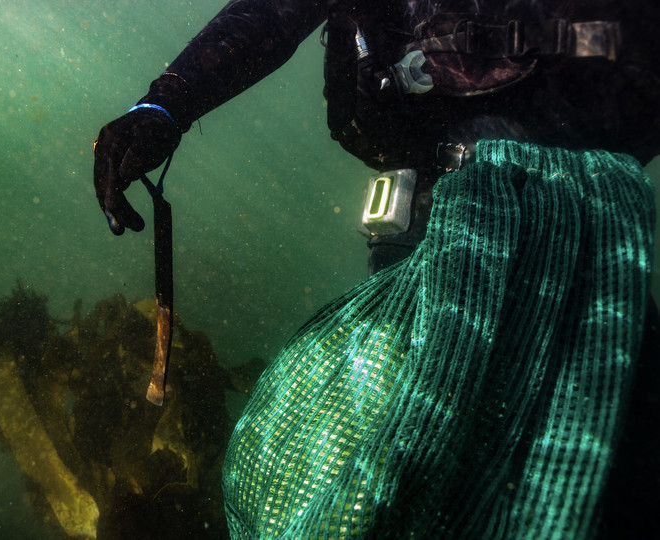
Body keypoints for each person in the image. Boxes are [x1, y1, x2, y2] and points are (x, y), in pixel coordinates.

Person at [94, 1, 659, 537]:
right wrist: (166, 103)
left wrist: (523, 149)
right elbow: (272, 14)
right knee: (395, 462)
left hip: (571, 231)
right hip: (433, 222)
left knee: (597, 465)